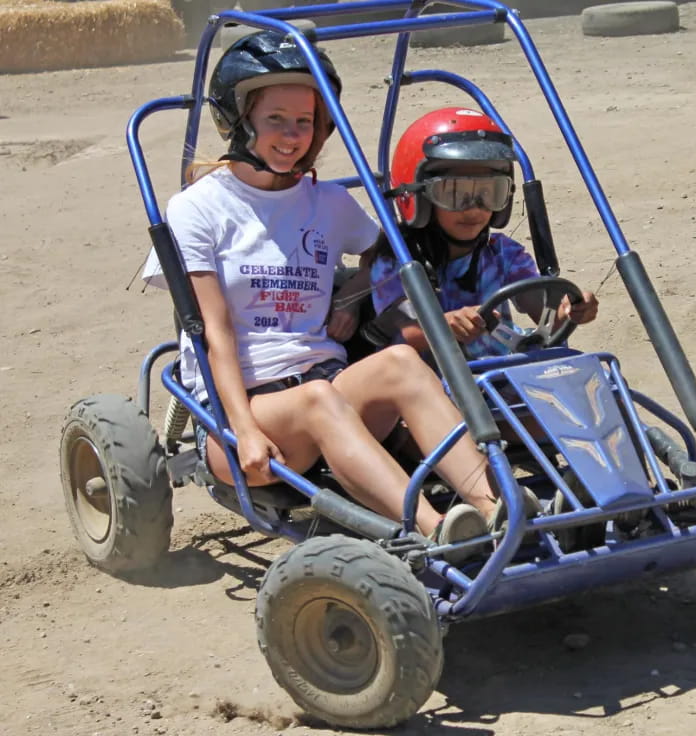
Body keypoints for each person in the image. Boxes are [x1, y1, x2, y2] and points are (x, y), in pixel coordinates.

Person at [141, 31, 497, 555]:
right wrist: (244, 429)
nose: (292, 136)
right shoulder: (198, 208)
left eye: (304, 122)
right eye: (275, 120)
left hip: (325, 382)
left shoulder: (329, 203)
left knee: (398, 360)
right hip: (241, 414)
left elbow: (386, 252)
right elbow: (213, 331)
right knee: (317, 398)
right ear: (239, 122)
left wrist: (350, 295)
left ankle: (495, 507)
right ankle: (437, 530)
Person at [367, 107, 599, 362]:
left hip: (504, 375)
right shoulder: (398, 263)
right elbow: (404, 329)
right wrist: (446, 324)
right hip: (434, 388)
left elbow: (544, 313)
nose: (475, 207)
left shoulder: (503, 253)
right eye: (455, 193)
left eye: (490, 193)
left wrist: (570, 309)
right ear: (419, 197)